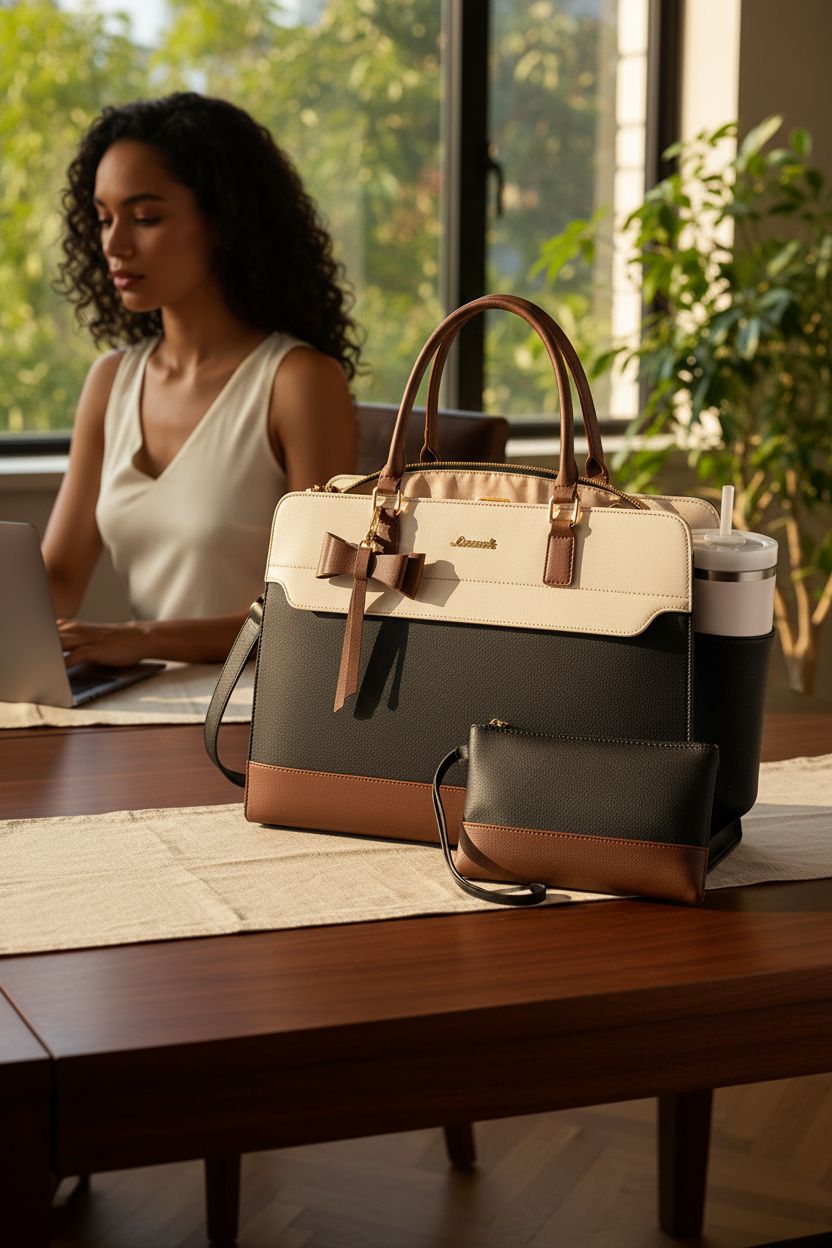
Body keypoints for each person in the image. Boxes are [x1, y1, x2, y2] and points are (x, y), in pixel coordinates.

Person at [44, 92, 358, 667]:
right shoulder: (111, 381)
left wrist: (142, 641)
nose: (114, 245)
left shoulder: (299, 382)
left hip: (252, 714)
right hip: (134, 705)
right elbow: (58, 576)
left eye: (145, 218)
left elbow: (316, 602)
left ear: (224, 221)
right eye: (104, 219)